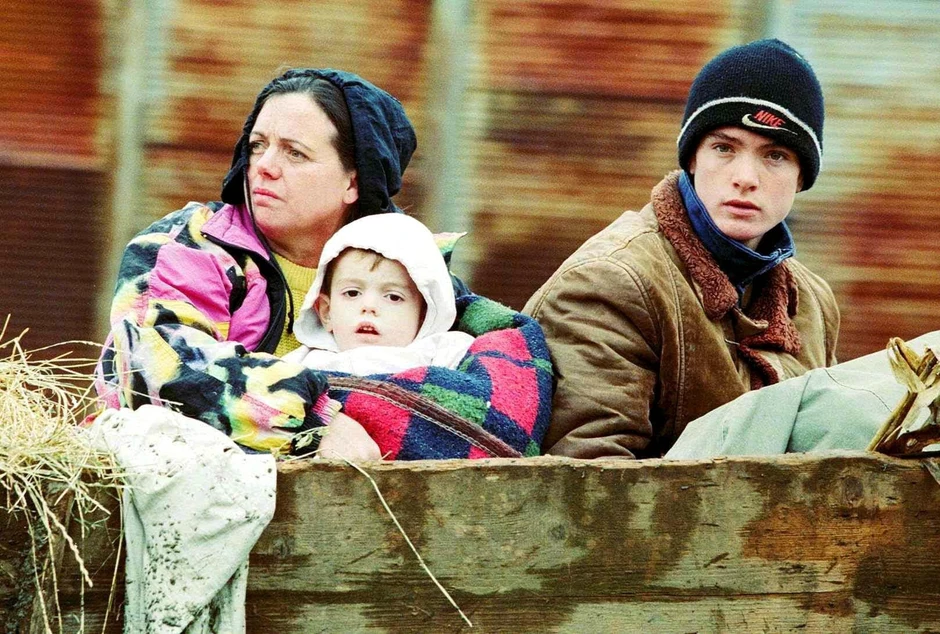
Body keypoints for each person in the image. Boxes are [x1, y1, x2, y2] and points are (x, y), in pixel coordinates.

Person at [524, 39, 840, 459]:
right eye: (724, 148)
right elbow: (588, 477)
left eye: (775, 155)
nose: (746, 177)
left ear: (801, 178)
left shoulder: (813, 302)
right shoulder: (608, 283)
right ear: (692, 158)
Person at [94, 68, 420, 461]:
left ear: (354, 182)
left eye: (294, 152)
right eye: (257, 145)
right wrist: (313, 420)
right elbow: (149, 362)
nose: (263, 166)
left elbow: (477, 359)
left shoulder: (412, 266)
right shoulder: (190, 245)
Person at [283, 213, 475, 375]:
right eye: (352, 293)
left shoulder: (445, 352)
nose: (369, 306)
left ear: (424, 315)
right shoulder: (303, 365)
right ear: (326, 312)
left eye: (393, 297)